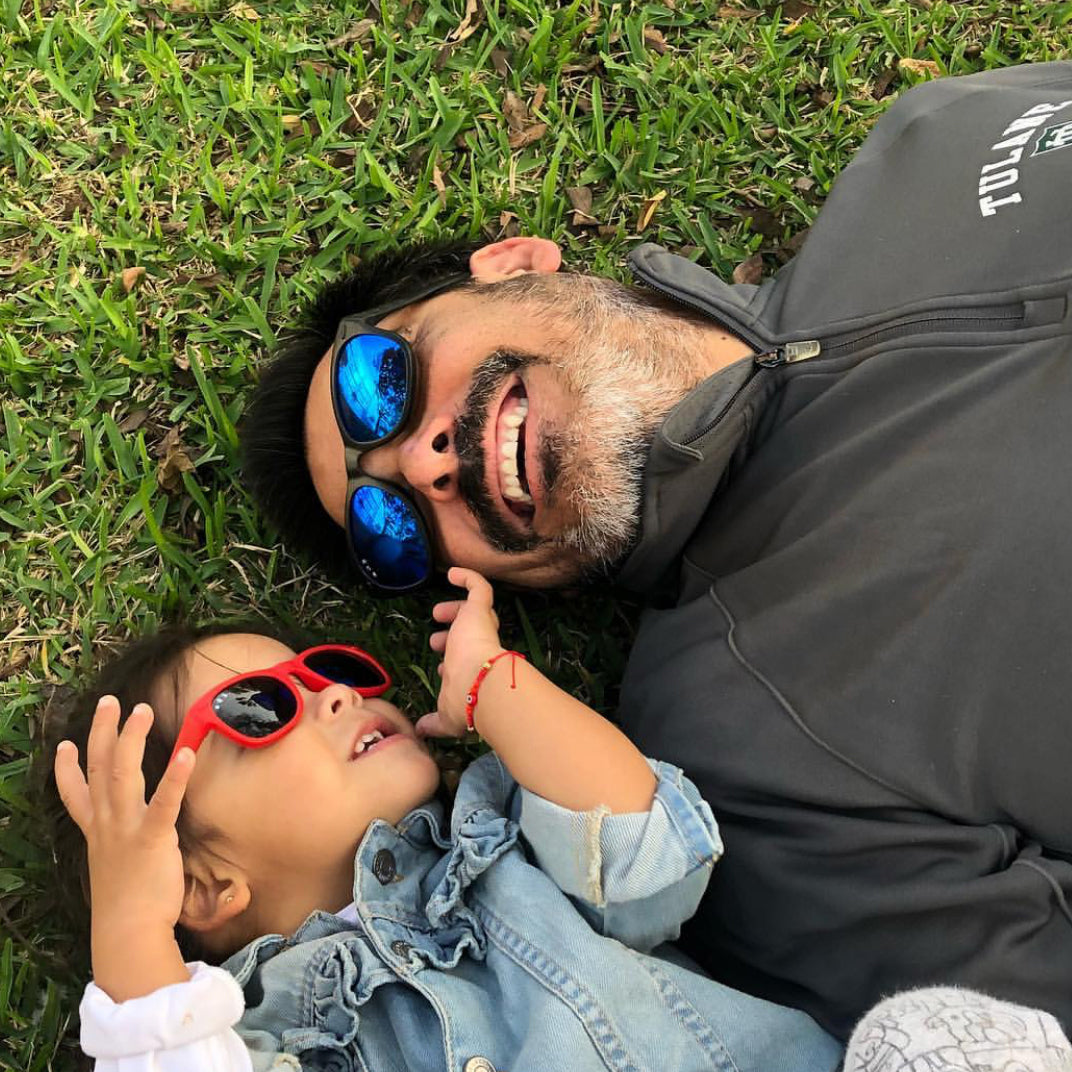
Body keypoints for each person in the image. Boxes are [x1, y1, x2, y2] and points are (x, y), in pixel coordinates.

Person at [240, 58, 1072, 1041]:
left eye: (379, 381)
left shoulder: (941, 134)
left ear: (511, 262)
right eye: (391, 527)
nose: (424, 465)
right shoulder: (751, 776)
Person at [42, 569, 844, 1072]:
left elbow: (650, 856)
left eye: (325, 669)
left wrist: (494, 684)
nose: (337, 693)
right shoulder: (263, 1043)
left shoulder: (497, 844)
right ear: (202, 885)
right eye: (260, 707)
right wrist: (130, 922)